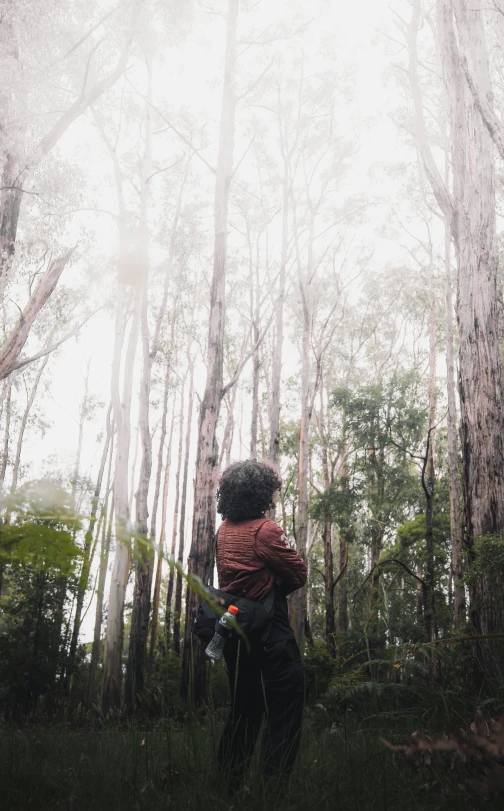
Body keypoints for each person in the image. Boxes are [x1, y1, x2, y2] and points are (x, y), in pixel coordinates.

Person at [214, 459, 307, 789]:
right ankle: (274, 788)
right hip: (271, 630)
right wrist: (275, 582)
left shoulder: (223, 530)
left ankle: (227, 785)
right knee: (286, 702)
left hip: (235, 630)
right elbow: (298, 573)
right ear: (261, 492)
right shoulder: (265, 530)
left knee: (244, 709)